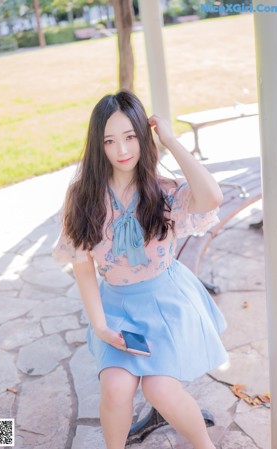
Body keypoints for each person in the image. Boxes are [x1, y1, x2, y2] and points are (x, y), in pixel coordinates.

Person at [53, 90, 228, 449]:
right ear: (97, 145)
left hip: (168, 302)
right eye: (110, 141)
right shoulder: (84, 198)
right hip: (118, 306)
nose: (122, 151)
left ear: (143, 137)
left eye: (131, 136)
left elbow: (211, 197)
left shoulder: (163, 193)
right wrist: (100, 325)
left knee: (160, 387)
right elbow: (83, 264)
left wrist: (171, 140)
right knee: (116, 386)